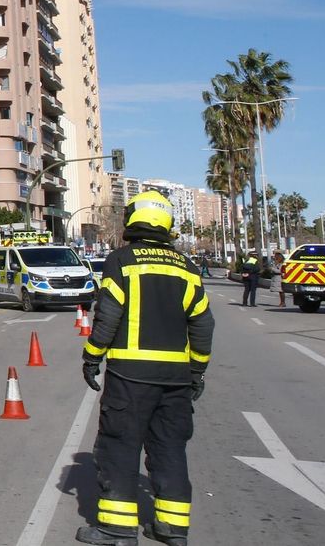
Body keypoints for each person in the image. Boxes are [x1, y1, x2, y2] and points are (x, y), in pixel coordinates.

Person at [77, 190, 214, 546]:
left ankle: (116, 529)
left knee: (120, 447)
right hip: (176, 380)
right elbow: (203, 325)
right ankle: (172, 529)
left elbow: (107, 317)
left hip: (130, 378)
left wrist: (92, 357)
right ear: (167, 222)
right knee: (169, 448)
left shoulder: (121, 261)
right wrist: (197, 371)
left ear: (131, 219)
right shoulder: (186, 267)